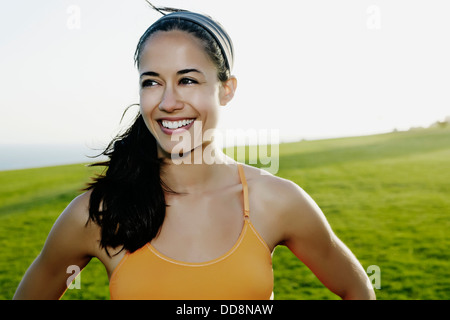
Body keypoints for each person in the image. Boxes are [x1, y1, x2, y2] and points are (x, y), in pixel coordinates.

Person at [13, 3, 375, 300]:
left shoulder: (275, 200)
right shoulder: (100, 213)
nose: (169, 102)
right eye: (152, 82)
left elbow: (356, 289)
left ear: (226, 89)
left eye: (188, 80)